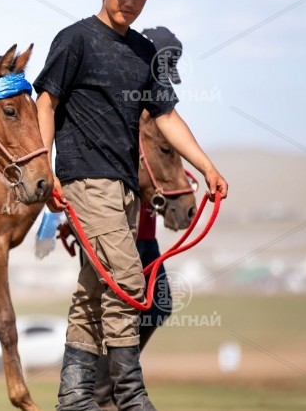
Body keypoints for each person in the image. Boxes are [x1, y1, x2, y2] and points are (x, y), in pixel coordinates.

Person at [34, 0, 229, 411]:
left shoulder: (143, 52)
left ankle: (75, 399)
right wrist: (46, 170)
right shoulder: (75, 39)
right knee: (128, 283)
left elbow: (166, 116)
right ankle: (131, 396)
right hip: (83, 178)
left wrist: (206, 166)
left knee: (92, 291)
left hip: (124, 190)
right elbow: (46, 102)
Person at [92, 26, 186, 411]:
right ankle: (103, 395)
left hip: (142, 227)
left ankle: (112, 388)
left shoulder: (154, 108)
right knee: (110, 310)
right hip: (112, 221)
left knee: (157, 302)